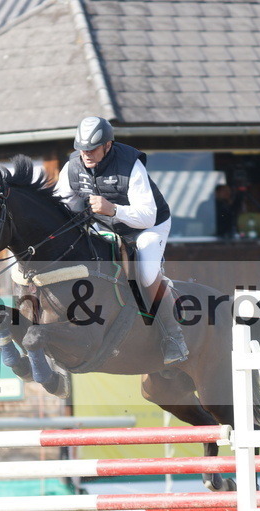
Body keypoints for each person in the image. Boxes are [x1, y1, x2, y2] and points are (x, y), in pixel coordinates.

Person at [54, 116, 189, 365]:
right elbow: (63, 205)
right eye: (82, 149)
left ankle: (174, 337)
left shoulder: (130, 165)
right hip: (105, 225)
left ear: (108, 145)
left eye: (92, 148)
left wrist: (113, 210)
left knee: (147, 273)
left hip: (148, 227)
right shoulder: (72, 167)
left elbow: (147, 216)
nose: (86, 154)